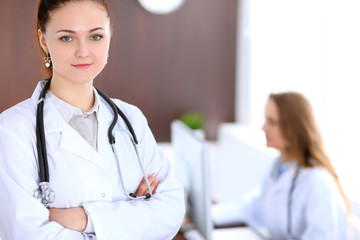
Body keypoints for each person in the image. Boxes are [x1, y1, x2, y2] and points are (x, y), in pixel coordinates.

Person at [0, 0, 185, 239]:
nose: (83, 51)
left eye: (95, 36)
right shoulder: (12, 131)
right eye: (67, 38)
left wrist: (85, 218)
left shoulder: (130, 119)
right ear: (44, 41)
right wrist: (134, 216)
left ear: (109, 36)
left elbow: (171, 210)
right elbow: (26, 234)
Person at [212, 92, 349, 239]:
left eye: (271, 122)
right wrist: (210, 215)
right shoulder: (280, 166)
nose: (263, 128)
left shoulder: (318, 182)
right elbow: (255, 205)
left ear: (292, 129)